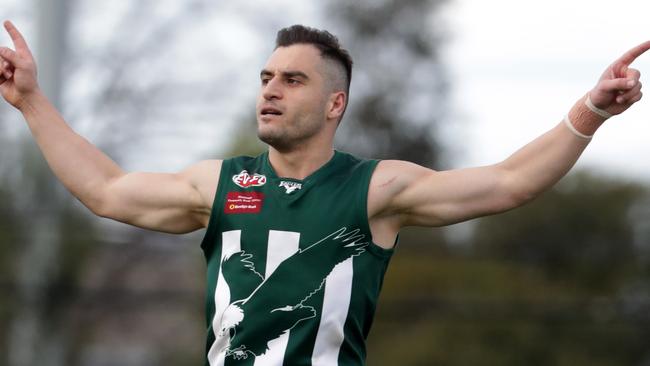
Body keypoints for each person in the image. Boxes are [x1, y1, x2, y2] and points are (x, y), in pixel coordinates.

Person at [0, 19, 648, 365]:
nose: (270, 89)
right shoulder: (220, 183)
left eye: (292, 79)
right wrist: (30, 100)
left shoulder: (377, 188)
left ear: (334, 102)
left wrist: (590, 110)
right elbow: (108, 191)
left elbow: (510, 183)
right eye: (265, 76)